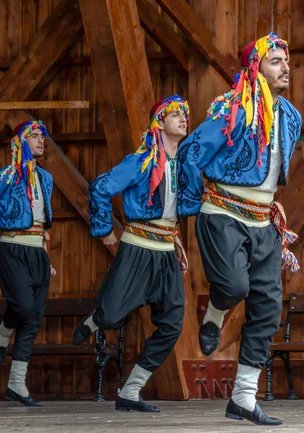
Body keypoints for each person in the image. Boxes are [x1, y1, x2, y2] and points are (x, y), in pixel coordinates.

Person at [177, 32, 302, 426]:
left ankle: (243, 398)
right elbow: (190, 153)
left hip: (264, 221)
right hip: (223, 213)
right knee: (234, 287)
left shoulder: (292, 117)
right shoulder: (231, 110)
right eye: (276, 61)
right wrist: (191, 208)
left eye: (286, 60)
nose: (285, 67)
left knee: (268, 308)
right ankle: (214, 313)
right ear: (256, 68)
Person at [72, 95, 190, 413]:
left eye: (185, 114)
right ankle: (96, 320)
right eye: (175, 113)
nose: (183, 118)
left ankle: (131, 390)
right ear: (159, 122)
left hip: (167, 252)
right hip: (138, 247)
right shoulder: (140, 161)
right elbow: (99, 187)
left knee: (172, 325)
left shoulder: (184, 166)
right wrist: (104, 229)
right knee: (111, 316)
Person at [0, 120, 55, 407]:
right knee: (24, 307)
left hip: (37, 253)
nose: (41, 140)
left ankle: (17, 385)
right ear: (20, 142)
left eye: (43, 136)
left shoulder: (46, 179)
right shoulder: (5, 176)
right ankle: (4, 330)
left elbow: (43, 224)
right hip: (11, 248)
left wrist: (45, 257)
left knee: (34, 318)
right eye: (34, 136)